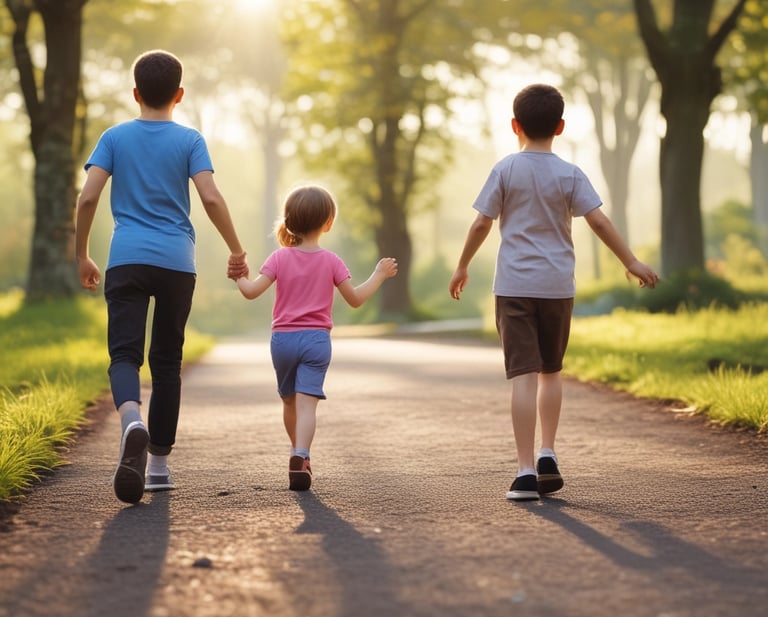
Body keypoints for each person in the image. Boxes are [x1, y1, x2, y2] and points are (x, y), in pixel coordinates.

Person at [448, 83, 659, 502]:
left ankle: (525, 471)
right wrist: (630, 261)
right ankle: (548, 452)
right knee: (551, 371)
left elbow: (480, 224)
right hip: (557, 287)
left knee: (523, 375)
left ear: (515, 126)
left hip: (513, 288)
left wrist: (463, 264)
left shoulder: (506, 169)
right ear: (560, 127)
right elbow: (598, 222)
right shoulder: (570, 173)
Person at [75, 49, 249, 505]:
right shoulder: (190, 140)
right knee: (167, 361)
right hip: (177, 262)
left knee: (124, 354)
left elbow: (87, 200)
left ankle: (132, 419)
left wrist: (82, 256)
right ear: (180, 94)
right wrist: (235, 249)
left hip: (127, 258)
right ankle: (157, 465)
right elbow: (210, 198)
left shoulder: (113, 138)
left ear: (135, 93)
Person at [236, 185, 398, 491]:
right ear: (328, 223)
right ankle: (302, 454)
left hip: (282, 341)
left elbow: (251, 291)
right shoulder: (332, 261)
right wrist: (378, 275)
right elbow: (355, 299)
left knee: (289, 402)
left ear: (290, 220)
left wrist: (238, 276)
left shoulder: (279, 258)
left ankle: (297, 454)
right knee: (308, 405)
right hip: (316, 341)